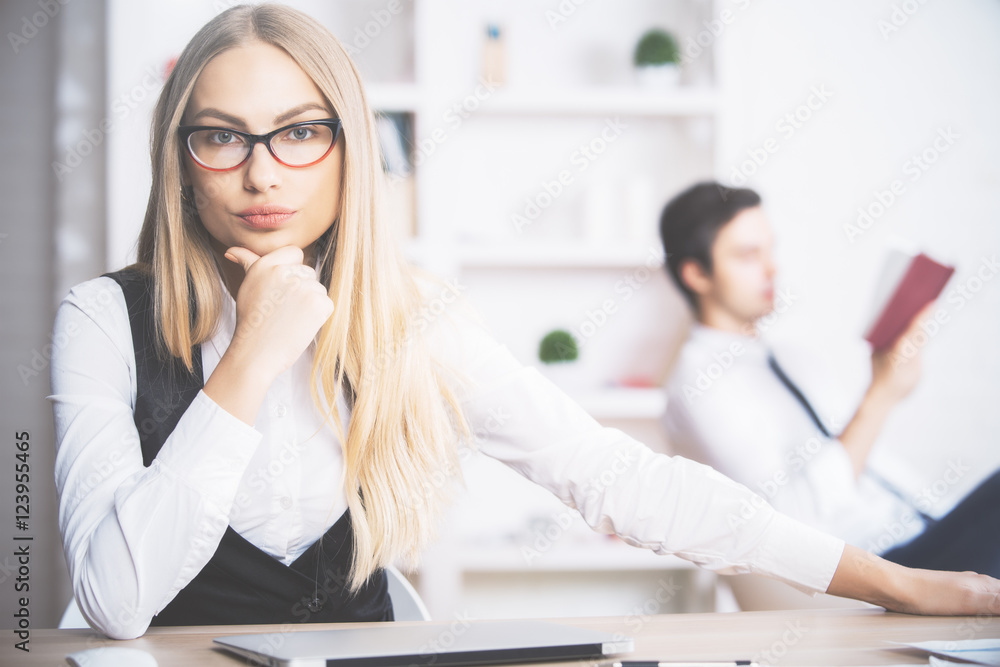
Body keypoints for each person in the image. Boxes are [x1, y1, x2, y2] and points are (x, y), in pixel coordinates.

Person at [49, 5, 998, 641]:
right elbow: (116, 599)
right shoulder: (101, 319)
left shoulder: (409, 315)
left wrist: (891, 581)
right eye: (222, 135)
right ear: (181, 158)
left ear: (349, 153)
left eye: (301, 131)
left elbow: (616, 475)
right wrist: (250, 359)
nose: (263, 172)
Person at [660, 181, 1000, 579]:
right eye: (748, 255)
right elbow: (798, 521)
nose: (772, 268)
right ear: (696, 274)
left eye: (770, 249)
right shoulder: (698, 388)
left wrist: (892, 384)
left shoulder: (793, 359)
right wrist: (879, 397)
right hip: (880, 570)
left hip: (926, 530)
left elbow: (863, 458)